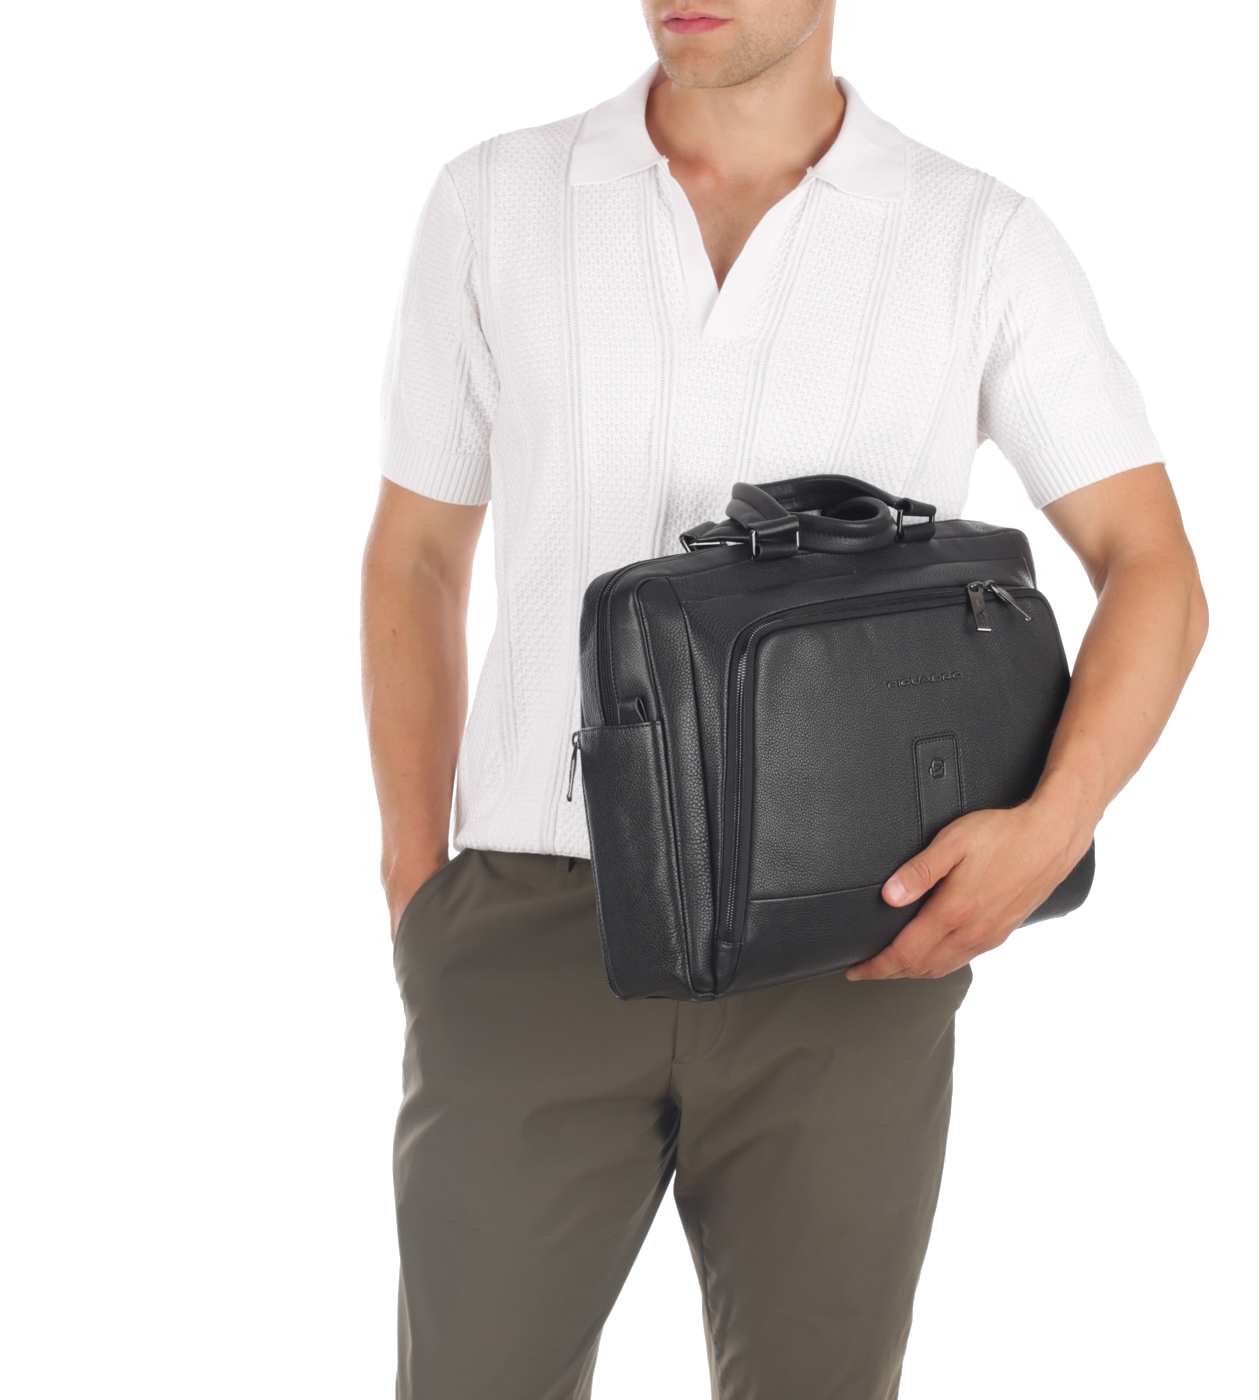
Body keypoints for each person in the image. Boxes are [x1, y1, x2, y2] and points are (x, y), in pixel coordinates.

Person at [361, 2, 1208, 1395]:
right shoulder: (496, 203)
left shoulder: (975, 237)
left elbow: (1155, 568)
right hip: (529, 928)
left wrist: (1054, 827)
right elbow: (415, 551)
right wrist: (417, 883)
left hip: (855, 949)